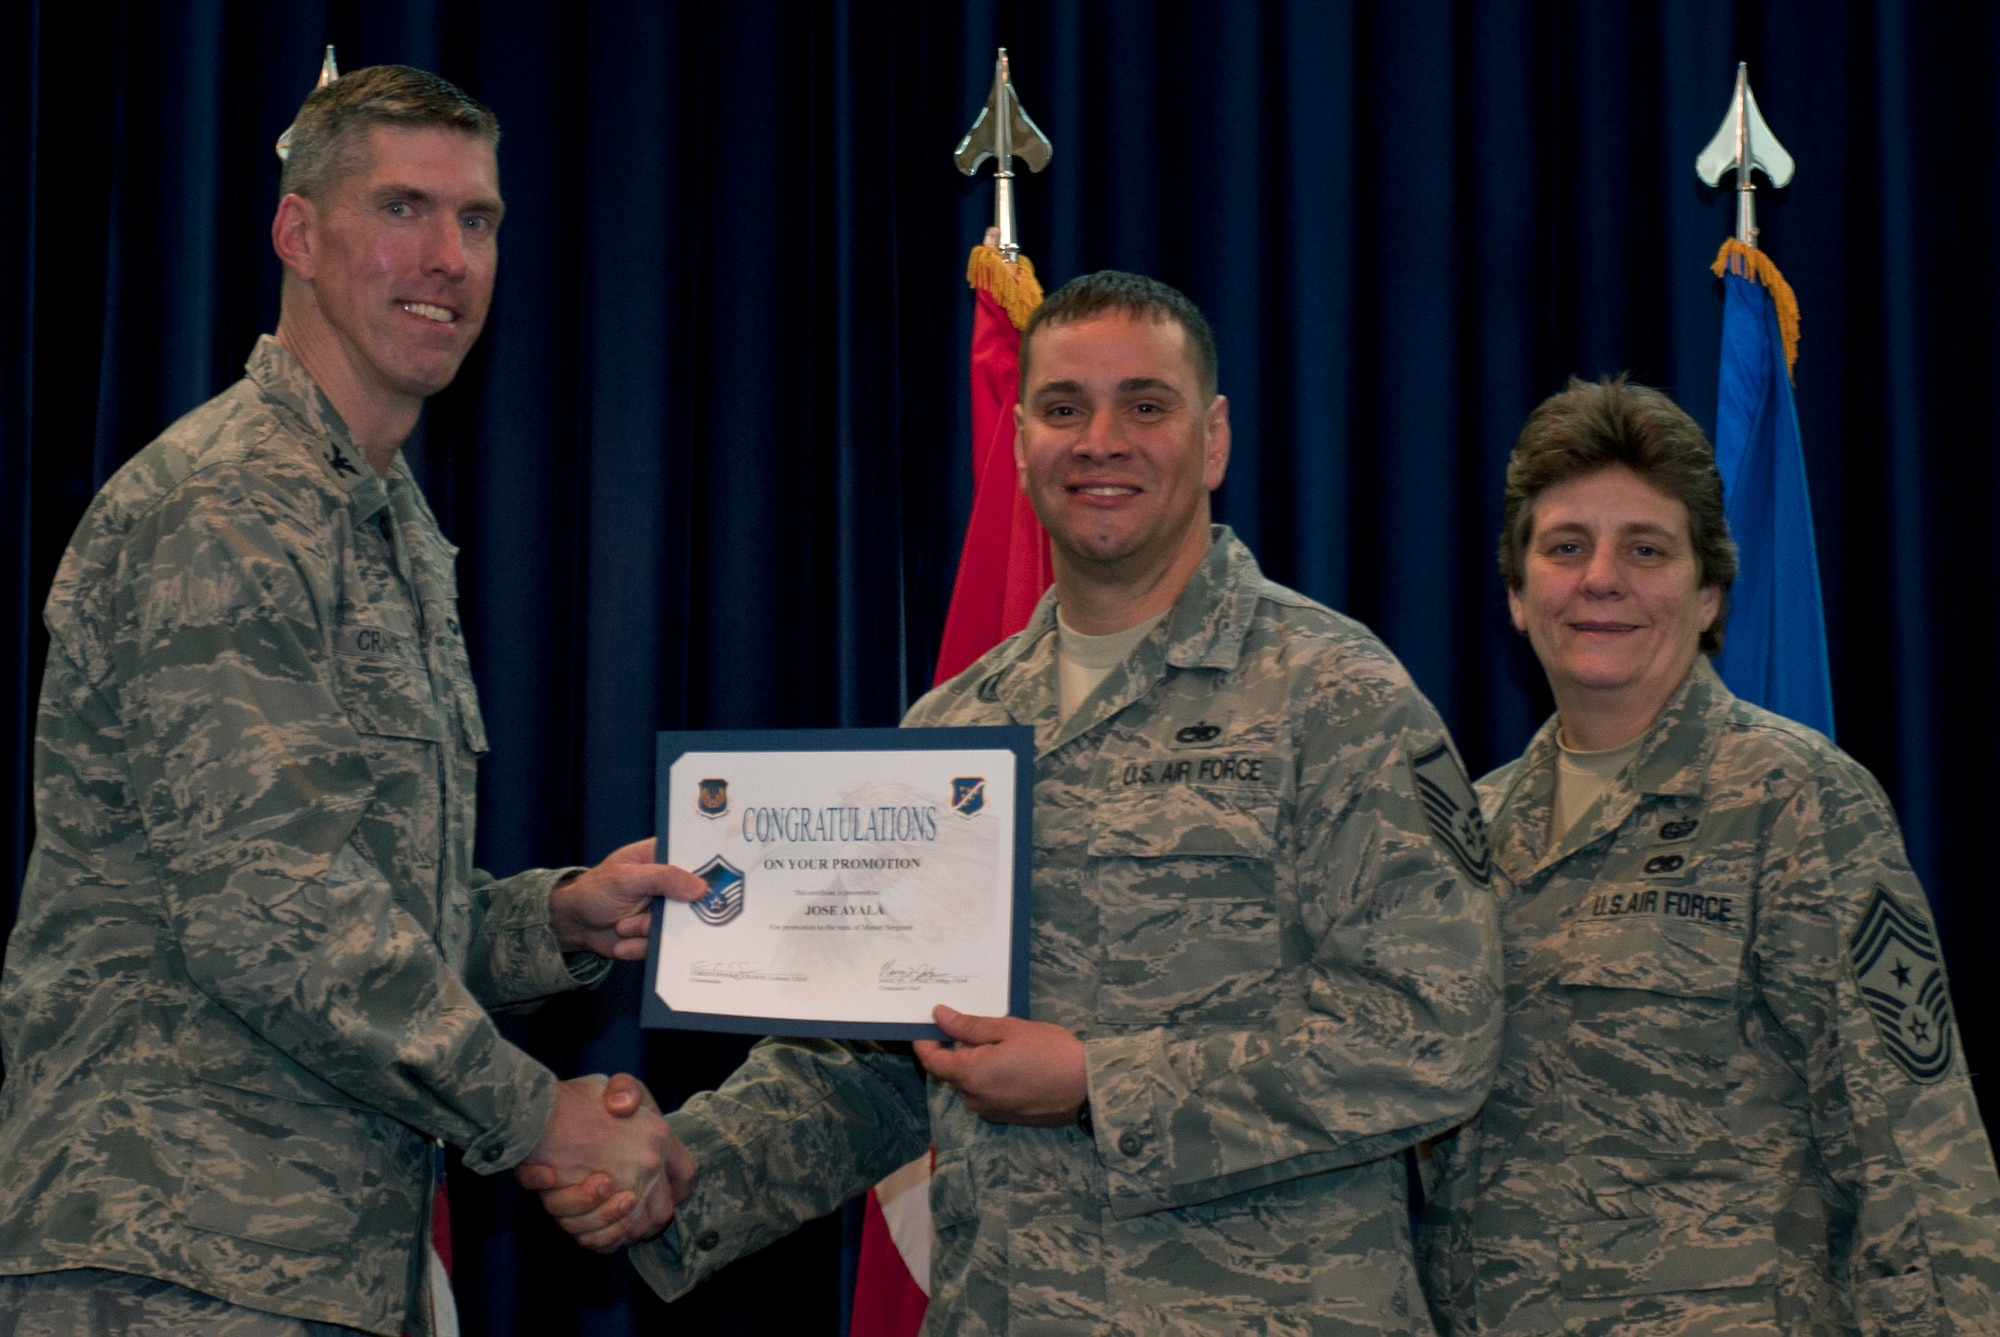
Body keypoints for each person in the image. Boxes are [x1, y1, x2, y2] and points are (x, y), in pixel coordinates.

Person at [527, 271, 1504, 1333]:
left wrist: (1099, 1080)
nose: (1100, 439)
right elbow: (878, 1062)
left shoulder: (1334, 692)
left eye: (1144, 403)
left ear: (1212, 439)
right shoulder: (951, 726)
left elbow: (1428, 1027)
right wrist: (676, 1172)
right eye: (1061, 406)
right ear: (1019, 437)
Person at [0, 66, 701, 1337]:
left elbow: (367, 898)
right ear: (298, 235)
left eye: (476, 221)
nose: (444, 258)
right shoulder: (223, 503)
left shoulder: (384, 524)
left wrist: (554, 917)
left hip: (306, 1258)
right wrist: (532, 1109)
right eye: (400, 208)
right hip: (171, 1249)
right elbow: (277, 910)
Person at [1417, 376, 2000, 1335]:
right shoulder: (1466, 834)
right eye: (1565, 548)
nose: (1601, 578)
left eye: (1646, 549)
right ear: (1518, 595)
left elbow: (1912, 1147)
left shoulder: (1798, 800)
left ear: (1708, 595)